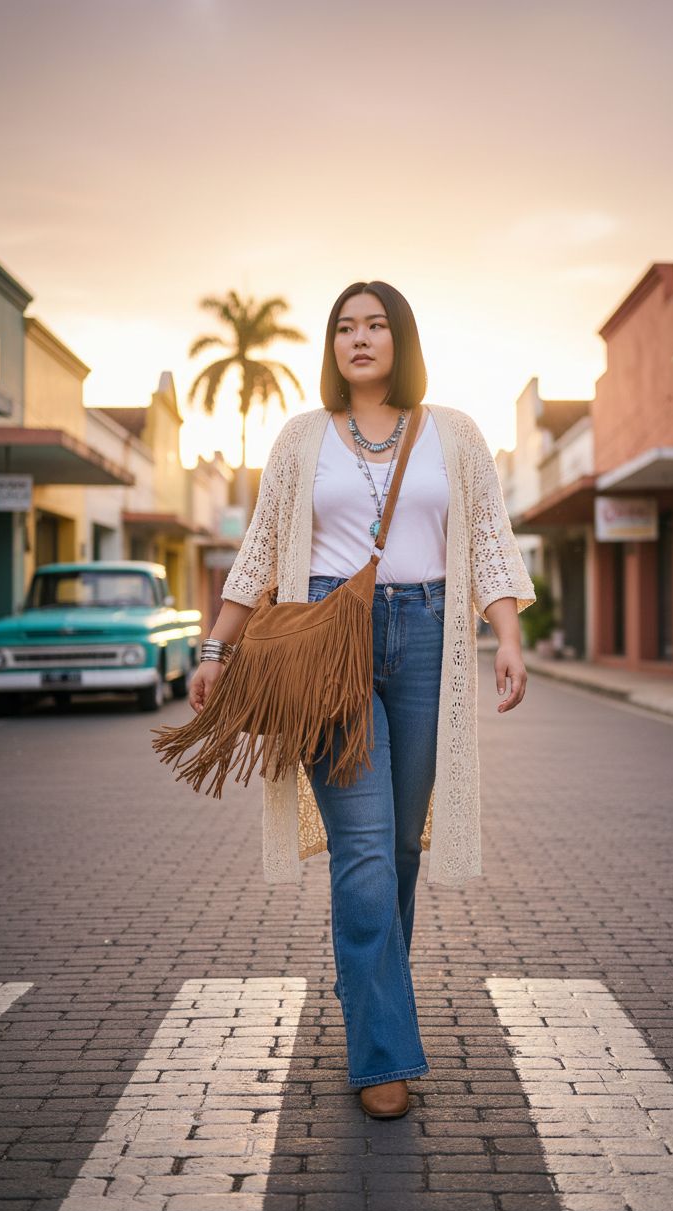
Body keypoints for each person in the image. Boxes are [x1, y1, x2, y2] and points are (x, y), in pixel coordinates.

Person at [187, 280, 536, 1119]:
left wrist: (509, 638)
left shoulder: (454, 433)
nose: (359, 338)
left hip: (428, 634)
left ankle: (369, 991)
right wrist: (216, 647)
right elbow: (261, 547)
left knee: (403, 844)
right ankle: (381, 1054)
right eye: (345, 327)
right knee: (367, 847)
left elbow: (488, 540)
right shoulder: (301, 437)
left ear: (400, 340)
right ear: (333, 346)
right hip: (323, 642)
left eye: (376, 325)